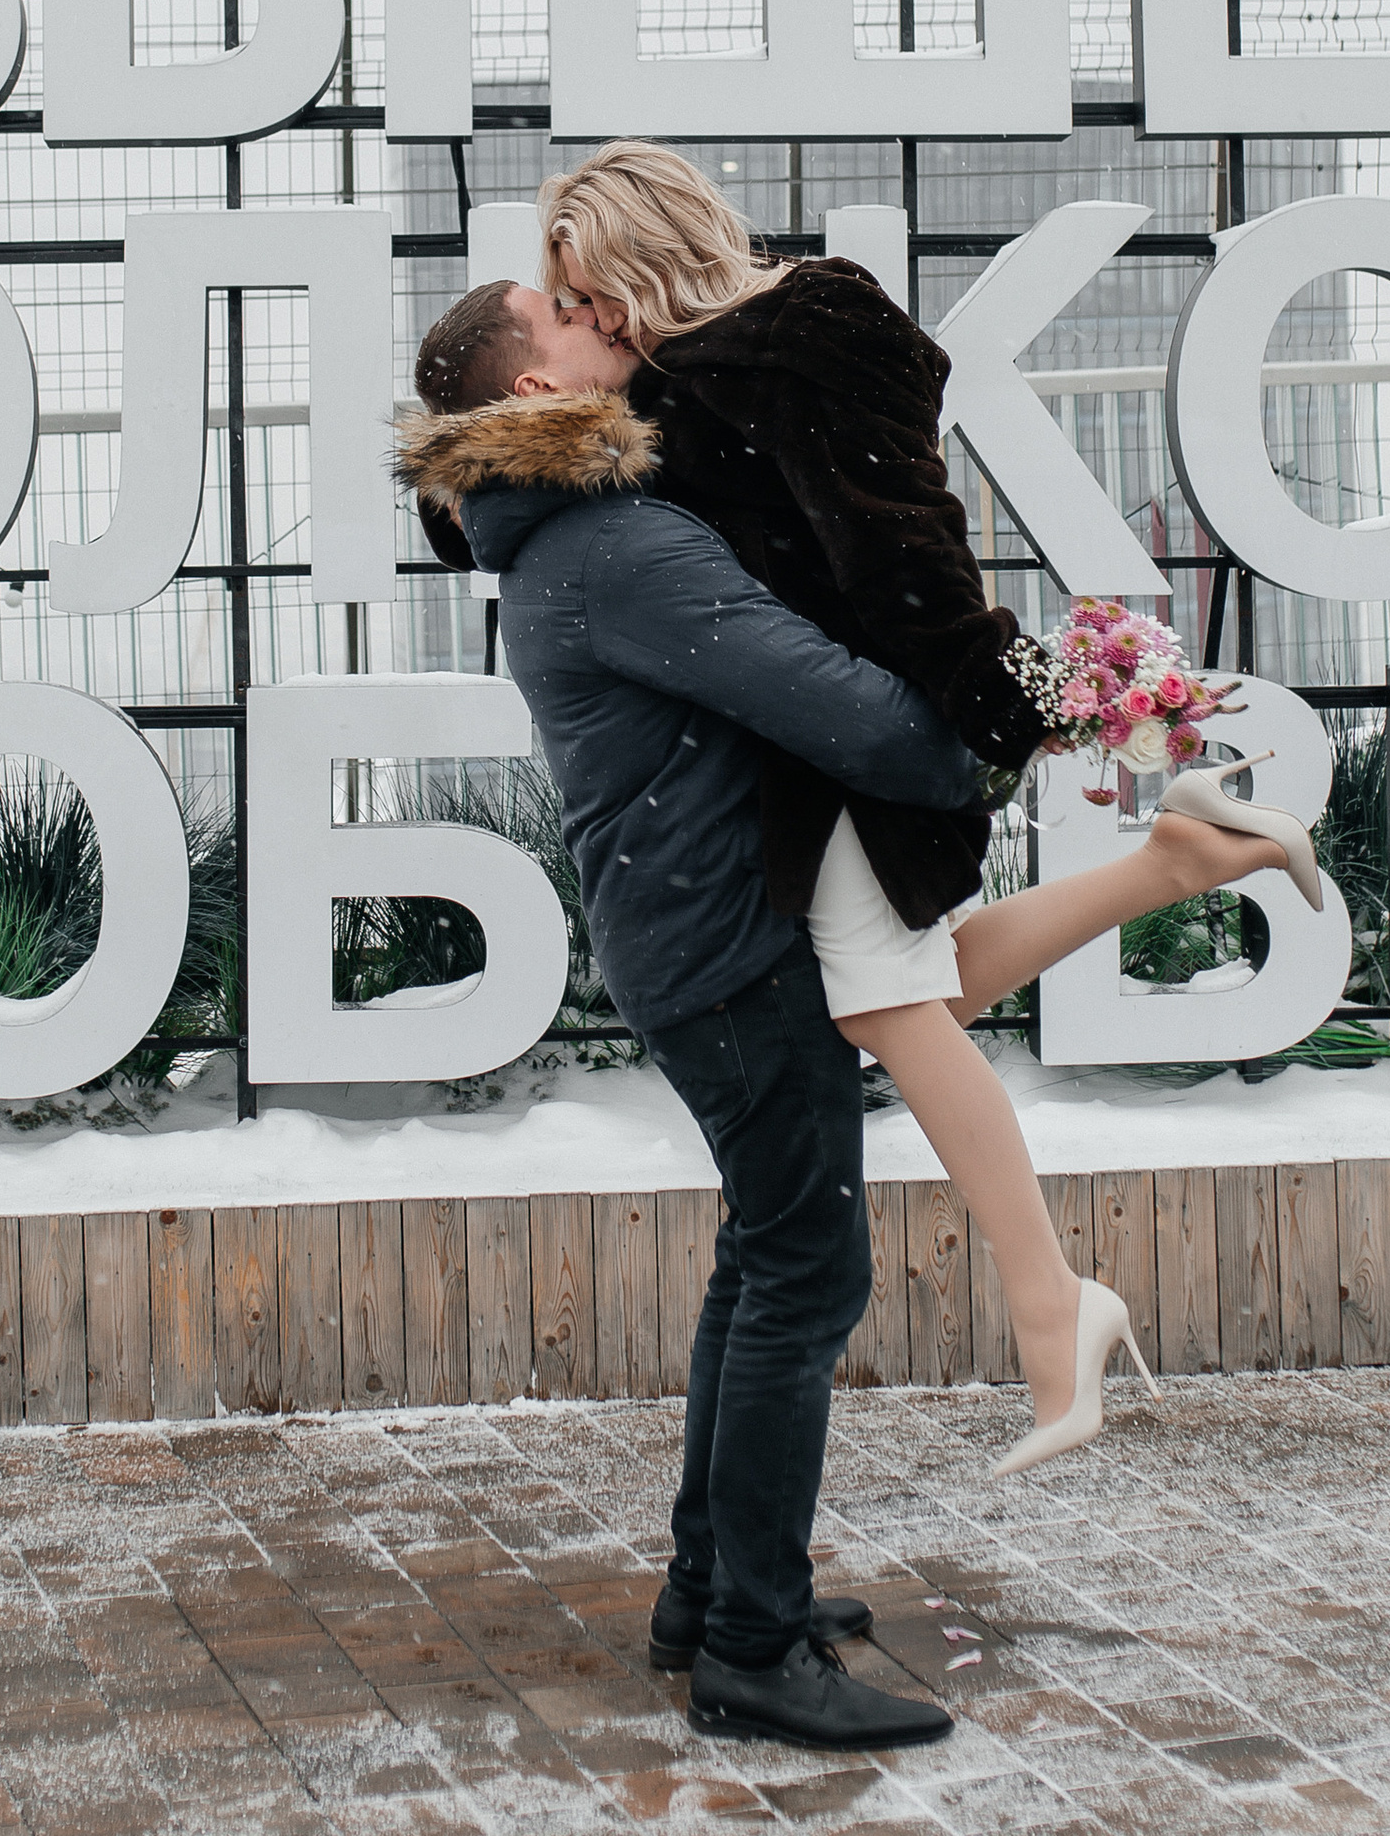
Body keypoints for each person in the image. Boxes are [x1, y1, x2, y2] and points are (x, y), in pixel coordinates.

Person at [525, 140, 1317, 1467]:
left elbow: (905, 545)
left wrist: (989, 702)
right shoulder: (684, 383)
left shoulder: (794, 342)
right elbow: (513, 498)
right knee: (906, 992)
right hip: (810, 749)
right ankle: (1179, 857)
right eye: (571, 303)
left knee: (887, 1005)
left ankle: (1052, 1305)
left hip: (864, 740)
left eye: (590, 291)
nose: (590, 321)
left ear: (641, 259)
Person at [399, 291, 974, 1751]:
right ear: (539, 378)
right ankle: (753, 1653)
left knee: (762, 1259)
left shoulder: (573, 535)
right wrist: (991, 721)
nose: (609, 319)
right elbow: (850, 715)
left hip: (694, 930)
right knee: (805, 1277)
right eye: (570, 315)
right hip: (728, 942)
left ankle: (709, 1588)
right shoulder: (616, 548)